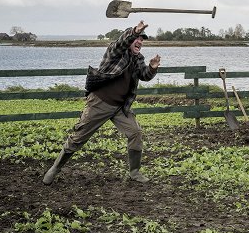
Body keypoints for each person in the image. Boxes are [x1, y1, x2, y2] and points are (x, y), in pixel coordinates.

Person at [43, 20, 161, 185]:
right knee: (78, 137)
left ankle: (135, 172)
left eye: (142, 39)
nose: (140, 42)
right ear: (130, 39)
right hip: (100, 102)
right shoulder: (115, 52)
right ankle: (55, 168)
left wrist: (152, 68)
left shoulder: (138, 58)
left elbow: (144, 75)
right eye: (137, 38)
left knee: (135, 133)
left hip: (120, 107)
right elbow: (121, 42)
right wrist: (134, 31)